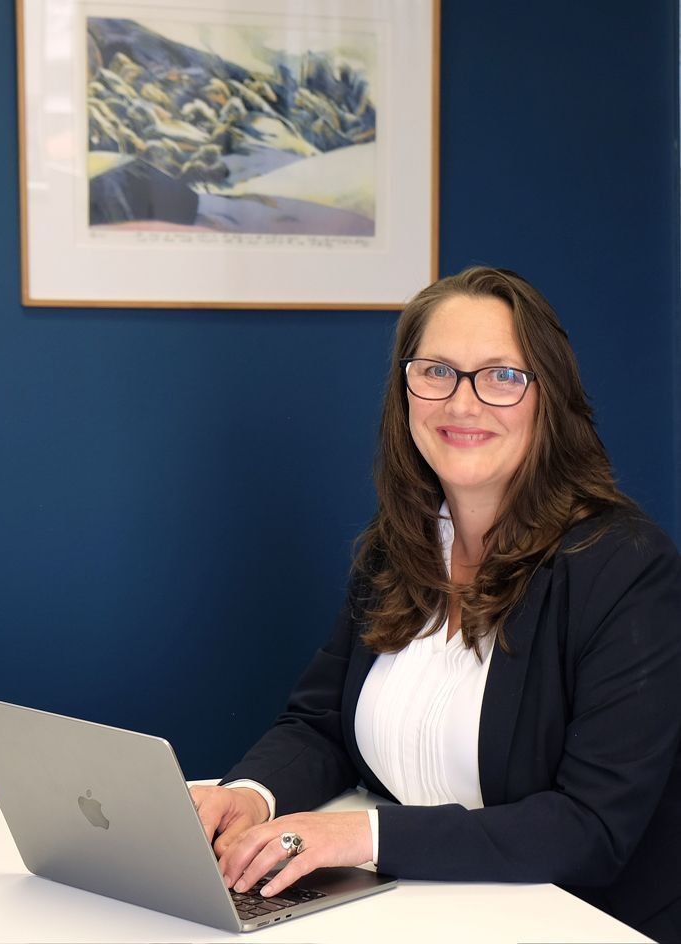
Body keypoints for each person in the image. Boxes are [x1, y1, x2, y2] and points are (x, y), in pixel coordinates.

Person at [191, 266, 681, 942]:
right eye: (437, 371)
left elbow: (592, 828)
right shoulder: (397, 550)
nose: (462, 403)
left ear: (550, 399)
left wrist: (358, 835)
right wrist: (246, 796)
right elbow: (320, 725)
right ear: (406, 391)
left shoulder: (622, 564)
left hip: (574, 923)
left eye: (502, 376)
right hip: (420, 913)